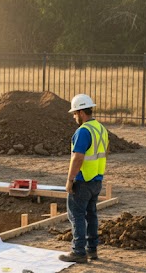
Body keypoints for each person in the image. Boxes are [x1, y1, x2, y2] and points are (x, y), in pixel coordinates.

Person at [59, 94, 109, 263]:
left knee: (77, 215)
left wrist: (70, 180)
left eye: (75, 113)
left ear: (81, 112)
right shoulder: (100, 129)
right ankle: (91, 250)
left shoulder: (83, 131)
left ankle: (78, 251)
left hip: (82, 181)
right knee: (91, 214)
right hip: (96, 179)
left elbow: (78, 157)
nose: (74, 117)